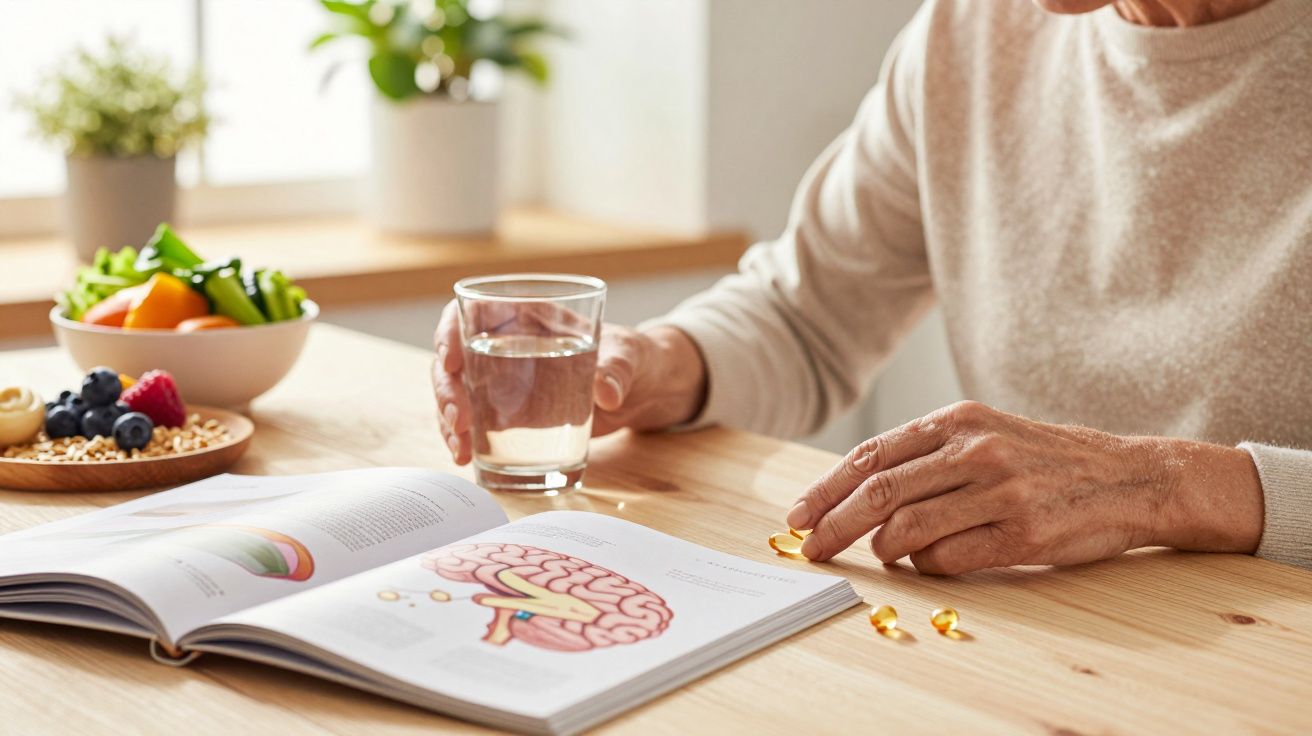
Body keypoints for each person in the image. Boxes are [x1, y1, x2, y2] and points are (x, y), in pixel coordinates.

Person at [434, 0, 1312, 574]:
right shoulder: (970, 33)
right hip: (1045, 653)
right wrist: (663, 359)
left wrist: (1166, 486)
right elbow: (806, 313)